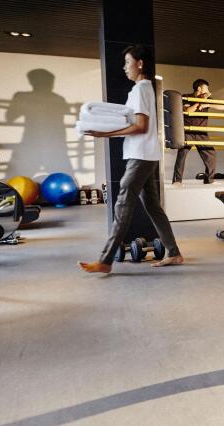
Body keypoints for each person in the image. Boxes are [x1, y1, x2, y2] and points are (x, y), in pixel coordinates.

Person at [79, 45, 184, 273]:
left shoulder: (141, 89)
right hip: (144, 154)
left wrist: (104, 134)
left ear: (140, 63)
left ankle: (105, 260)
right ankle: (174, 253)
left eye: (128, 62)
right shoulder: (143, 89)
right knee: (153, 207)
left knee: (123, 204)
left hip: (141, 155)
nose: (125, 67)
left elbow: (140, 126)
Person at [172, 79, 224, 186]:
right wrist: (199, 102)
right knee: (182, 156)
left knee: (211, 155)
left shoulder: (208, 99)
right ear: (199, 88)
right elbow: (188, 111)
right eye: (206, 88)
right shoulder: (186, 97)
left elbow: (223, 107)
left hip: (202, 133)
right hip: (188, 132)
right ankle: (177, 181)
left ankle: (209, 180)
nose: (208, 91)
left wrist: (207, 104)